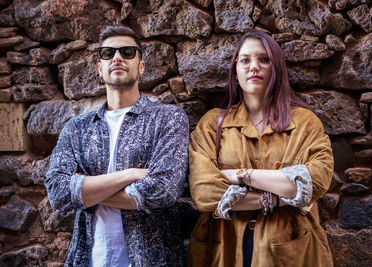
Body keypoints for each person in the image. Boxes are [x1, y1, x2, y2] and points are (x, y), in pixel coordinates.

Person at [188, 29, 334, 267]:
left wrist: (241, 176)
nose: (253, 66)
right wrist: (283, 196)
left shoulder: (304, 122)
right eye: (245, 60)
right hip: (224, 246)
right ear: (235, 71)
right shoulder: (212, 124)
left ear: (276, 68)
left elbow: (316, 181)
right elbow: (204, 193)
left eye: (264, 59)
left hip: (291, 250)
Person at [45, 25, 189, 266]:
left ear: (141, 66)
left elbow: (163, 190)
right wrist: (130, 175)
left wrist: (83, 192)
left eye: (128, 52)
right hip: (90, 259)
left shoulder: (168, 118)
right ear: (100, 68)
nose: (118, 58)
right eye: (108, 53)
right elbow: (58, 192)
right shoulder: (77, 128)